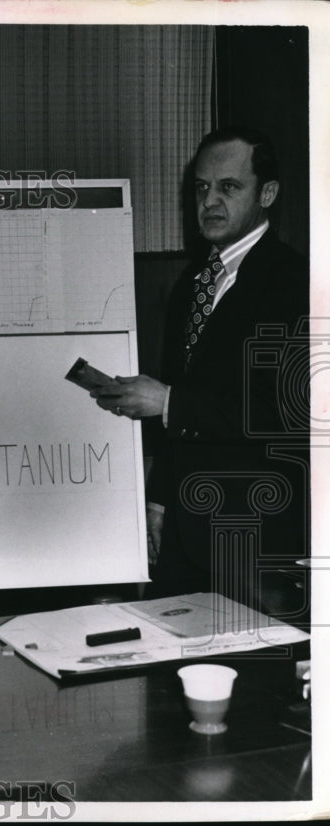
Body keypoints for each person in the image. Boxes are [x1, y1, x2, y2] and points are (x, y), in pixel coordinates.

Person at [91, 126, 308, 615]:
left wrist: (168, 402)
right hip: (185, 536)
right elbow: (183, 387)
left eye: (229, 187)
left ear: (267, 194)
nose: (210, 201)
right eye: (201, 188)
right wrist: (160, 500)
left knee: (250, 682)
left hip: (251, 537)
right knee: (164, 673)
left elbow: (290, 412)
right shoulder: (192, 281)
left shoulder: (297, 283)